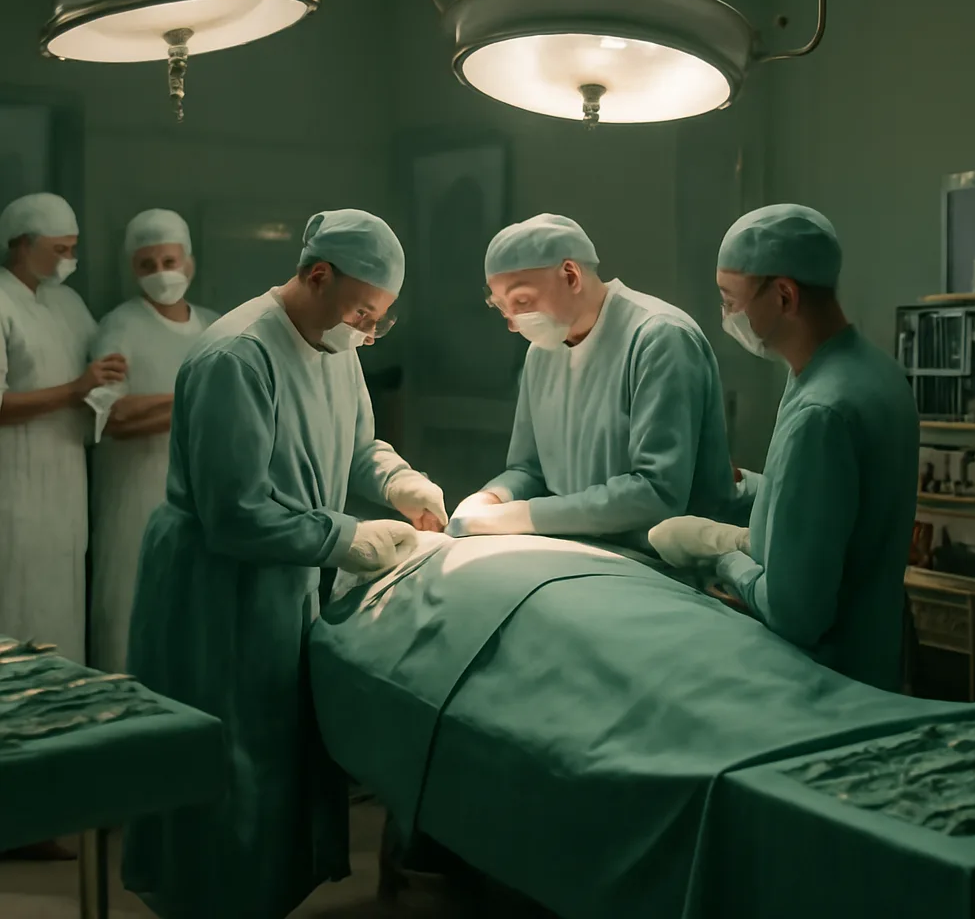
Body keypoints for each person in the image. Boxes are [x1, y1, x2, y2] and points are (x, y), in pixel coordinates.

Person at [121, 208, 448, 919]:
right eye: (363, 311)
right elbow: (234, 511)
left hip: (289, 575)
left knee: (279, 756)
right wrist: (345, 538)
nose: (367, 330)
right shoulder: (236, 354)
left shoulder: (338, 347)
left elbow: (359, 445)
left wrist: (399, 481)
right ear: (316, 275)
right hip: (217, 585)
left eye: (379, 320)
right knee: (228, 763)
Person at [648, 203, 919, 692]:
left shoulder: (822, 411)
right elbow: (840, 505)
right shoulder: (874, 372)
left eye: (731, 300)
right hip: (880, 655)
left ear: (784, 295)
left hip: (829, 684)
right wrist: (757, 487)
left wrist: (723, 560)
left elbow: (796, 615)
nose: (726, 315)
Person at [446, 213, 740, 549]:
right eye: (501, 308)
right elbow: (530, 470)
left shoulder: (659, 338)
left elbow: (656, 493)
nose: (513, 323)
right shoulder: (542, 352)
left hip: (673, 561)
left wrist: (521, 516)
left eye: (522, 301)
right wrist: (492, 498)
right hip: (584, 551)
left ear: (571, 276)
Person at [0, 192, 127, 863]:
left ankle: (46, 804)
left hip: (66, 495)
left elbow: (91, 376)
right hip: (12, 498)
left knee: (55, 637)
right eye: (61, 249)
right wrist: (75, 390)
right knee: (14, 634)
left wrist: (108, 380)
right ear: (23, 243)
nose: (72, 260)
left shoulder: (69, 306)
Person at [87, 209, 219, 674]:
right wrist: (193, 398)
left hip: (199, 500)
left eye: (170, 260)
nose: (162, 273)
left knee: (194, 620)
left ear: (190, 263)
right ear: (132, 270)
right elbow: (111, 416)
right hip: (133, 497)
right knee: (128, 611)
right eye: (148, 264)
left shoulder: (214, 329)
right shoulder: (119, 327)